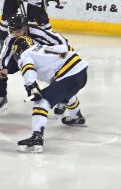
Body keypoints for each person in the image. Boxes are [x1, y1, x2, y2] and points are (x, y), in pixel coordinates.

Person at [7, 15, 90, 152]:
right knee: (65, 93)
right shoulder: (42, 47)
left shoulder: (25, 54)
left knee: (42, 101)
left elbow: (28, 68)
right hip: (81, 72)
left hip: (69, 75)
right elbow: (67, 47)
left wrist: (31, 87)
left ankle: (36, 139)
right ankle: (76, 116)